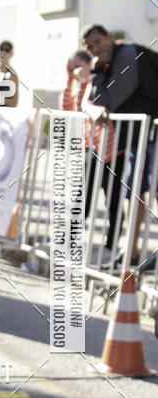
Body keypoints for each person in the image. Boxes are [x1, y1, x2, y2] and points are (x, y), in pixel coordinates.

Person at [83, 24, 158, 267]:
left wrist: (95, 75)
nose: (96, 49)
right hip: (142, 135)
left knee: (146, 191)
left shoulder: (126, 56)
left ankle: (133, 253)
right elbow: (90, 101)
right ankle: (131, 253)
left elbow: (109, 101)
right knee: (135, 192)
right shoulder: (107, 65)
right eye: (90, 47)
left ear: (108, 37)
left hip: (151, 132)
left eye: (97, 41)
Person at [61, 50, 118, 263]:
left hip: (112, 149)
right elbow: (68, 106)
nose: (75, 71)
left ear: (88, 64)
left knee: (113, 199)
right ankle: (70, 241)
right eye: (71, 67)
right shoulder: (78, 86)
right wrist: (71, 78)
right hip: (90, 148)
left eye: (78, 65)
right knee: (82, 197)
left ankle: (111, 246)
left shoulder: (100, 81)